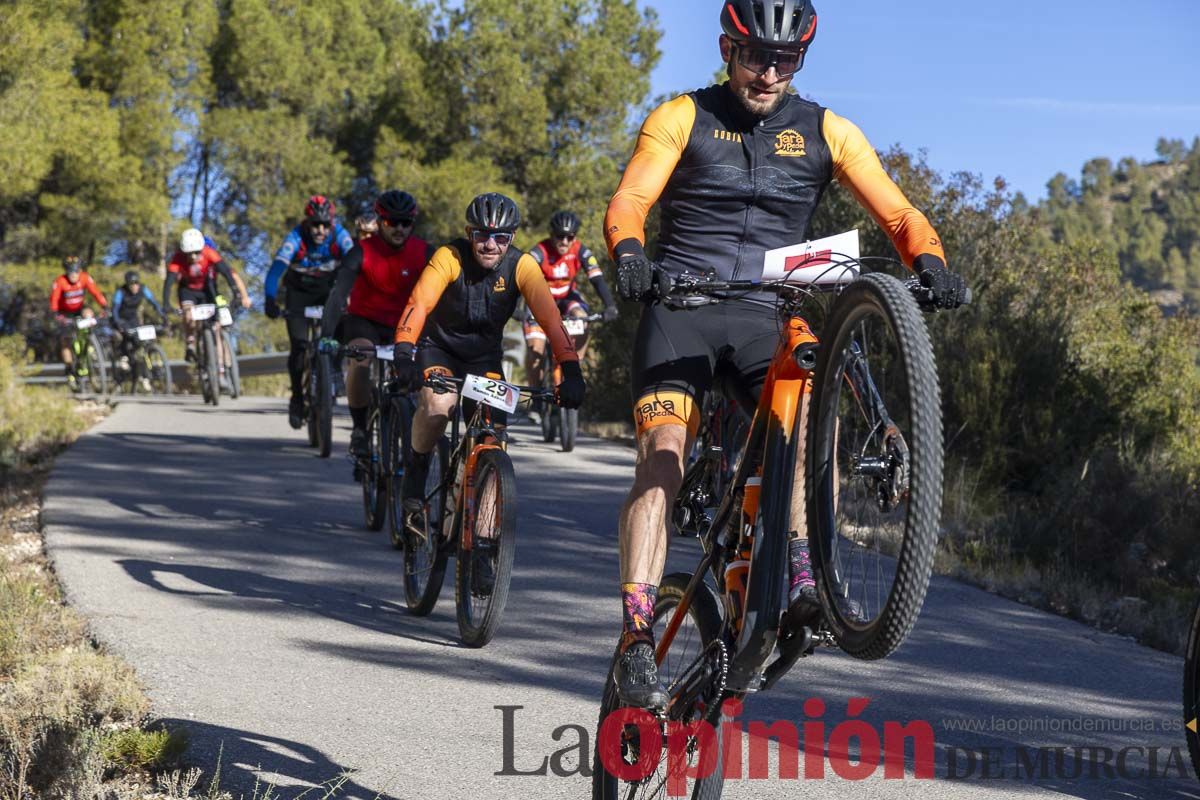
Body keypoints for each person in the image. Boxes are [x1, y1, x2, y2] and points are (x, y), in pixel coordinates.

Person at [603, 0, 969, 707]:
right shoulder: (682, 115)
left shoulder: (827, 129)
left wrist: (929, 261)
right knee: (663, 458)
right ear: (725, 48)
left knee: (810, 429)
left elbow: (898, 213)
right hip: (681, 308)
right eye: (752, 56)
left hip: (766, 313)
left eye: (784, 60)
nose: (767, 72)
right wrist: (628, 253)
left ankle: (801, 576)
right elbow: (630, 199)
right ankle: (637, 632)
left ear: (800, 61)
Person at [392, 193, 587, 507]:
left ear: (512, 238)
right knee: (439, 406)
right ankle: (416, 469)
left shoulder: (521, 265)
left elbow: (551, 321)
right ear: (470, 234)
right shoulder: (449, 257)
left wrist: (572, 371)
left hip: (484, 358)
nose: (490, 244)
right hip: (439, 349)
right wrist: (403, 353)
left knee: (493, 437)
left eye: (501, 237)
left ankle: (483, 535)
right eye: (482, 235)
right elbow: (419, 304)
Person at [319, 191, 432, 459]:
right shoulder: (362, 251)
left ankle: (408, 427)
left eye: (405, 222)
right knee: (361, 359)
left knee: (421, 375)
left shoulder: (424, 251)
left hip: (406, 324)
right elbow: (338, 295)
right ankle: (359, 429)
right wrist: (326, 335)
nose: (399, 228)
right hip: (365, 321)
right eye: (392, 222)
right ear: (380, 221)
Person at [263, 195, 355, 429]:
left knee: (344, 327)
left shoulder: (340, 235)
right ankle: (296, 396)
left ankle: (333, 370)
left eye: (326, 225)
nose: (321, 230)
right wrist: (270, 299)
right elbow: (275, 271)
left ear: (332, 223)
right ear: (307, 223)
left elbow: (357, 263)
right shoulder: (295, 238)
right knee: (299, 345)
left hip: (327, 291)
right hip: (299, 292)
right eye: (316, 224)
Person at [522, 210, 619, 418]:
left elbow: (597, 279)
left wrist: (610, 305)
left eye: (570, 237)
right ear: (551, 234)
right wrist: (517, 310)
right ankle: (537, 400)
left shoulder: (581, 251)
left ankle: (575, 364)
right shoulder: (538, 252)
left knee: (582, 316)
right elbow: (520, 279)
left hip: (566, 298)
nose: (564, 241)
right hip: (540, 300)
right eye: (559, 236)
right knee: (535, 351)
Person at [163, 228, 243, 374]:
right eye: (189, 254)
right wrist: (166, 303)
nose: (193, 257)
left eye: (196, 253)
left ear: (202, 249)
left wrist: (236, 293)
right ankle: (191, 344)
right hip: (187, 290)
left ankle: (220, 367)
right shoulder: (177, 258)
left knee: (217, 327)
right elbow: (169, 281)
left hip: (207, 290)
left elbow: (226, 272)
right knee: (188, 315)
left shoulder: (208, 252)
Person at [49, 256, 108, 386]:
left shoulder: (85, 278)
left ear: (80, 271)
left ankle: (90, 344)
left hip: (79, 309)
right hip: (64, 312)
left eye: (76, 272)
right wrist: (56, 314)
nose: (73, 275)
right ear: (66, 272)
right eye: (70, 272)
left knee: (89, 314)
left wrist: (104, 306)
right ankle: (70, 369)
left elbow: (96, 293)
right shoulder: (60, 282)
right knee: (66, 341)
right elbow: (54, 300)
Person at [111, 270, 165, 386]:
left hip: (134, 319)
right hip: (121, 319)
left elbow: (153, 302)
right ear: (127, 284)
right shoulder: (121, 292)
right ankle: (123, 357)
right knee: (125, 335)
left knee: (139, 341)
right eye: (131, 284)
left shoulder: (143, 289)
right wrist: (118, 322)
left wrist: (161, 314)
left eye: (136, 283)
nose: (135, 286)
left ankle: (142, 373)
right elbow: (114, 309)